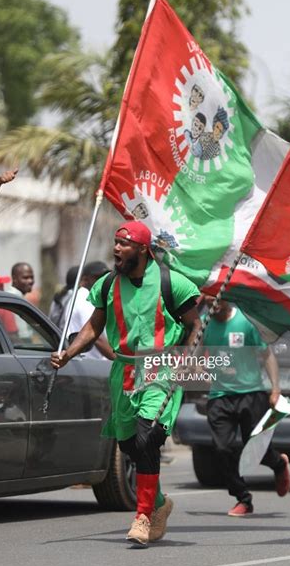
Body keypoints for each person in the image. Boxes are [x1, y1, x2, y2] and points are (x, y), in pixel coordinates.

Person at [51, 220, 201, 547]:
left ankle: (143, 516)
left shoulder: (171, 283)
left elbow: (196, 327)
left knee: (149, 438)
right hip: (124, 372)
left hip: (161, 369)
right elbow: (93, 328)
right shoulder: (107, 285)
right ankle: (160, 504)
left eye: (124, 243)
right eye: (116, 242)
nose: (116, 248)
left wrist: (187, 360)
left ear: (143, 250)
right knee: (130, 445)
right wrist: (69, 353)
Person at [203, 298, 290, 517]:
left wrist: (275, 388)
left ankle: (278, 463)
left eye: (214, 296)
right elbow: (195, 358)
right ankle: (243, 498)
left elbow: (267, 354)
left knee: (255, 450)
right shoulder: (203, 324)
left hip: (250, 394)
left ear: (224, 297)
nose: (210, 301)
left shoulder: (246, 322)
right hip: (219, 396)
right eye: (205, 296)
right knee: (222, 448)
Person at [66, 261, 114, 360]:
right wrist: (116, 359)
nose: (103, 280)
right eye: (98, 277)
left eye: (105, 276)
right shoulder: (84, 297)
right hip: (90, 362)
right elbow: (95, 334)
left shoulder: (84, 296)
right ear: (85, 279)